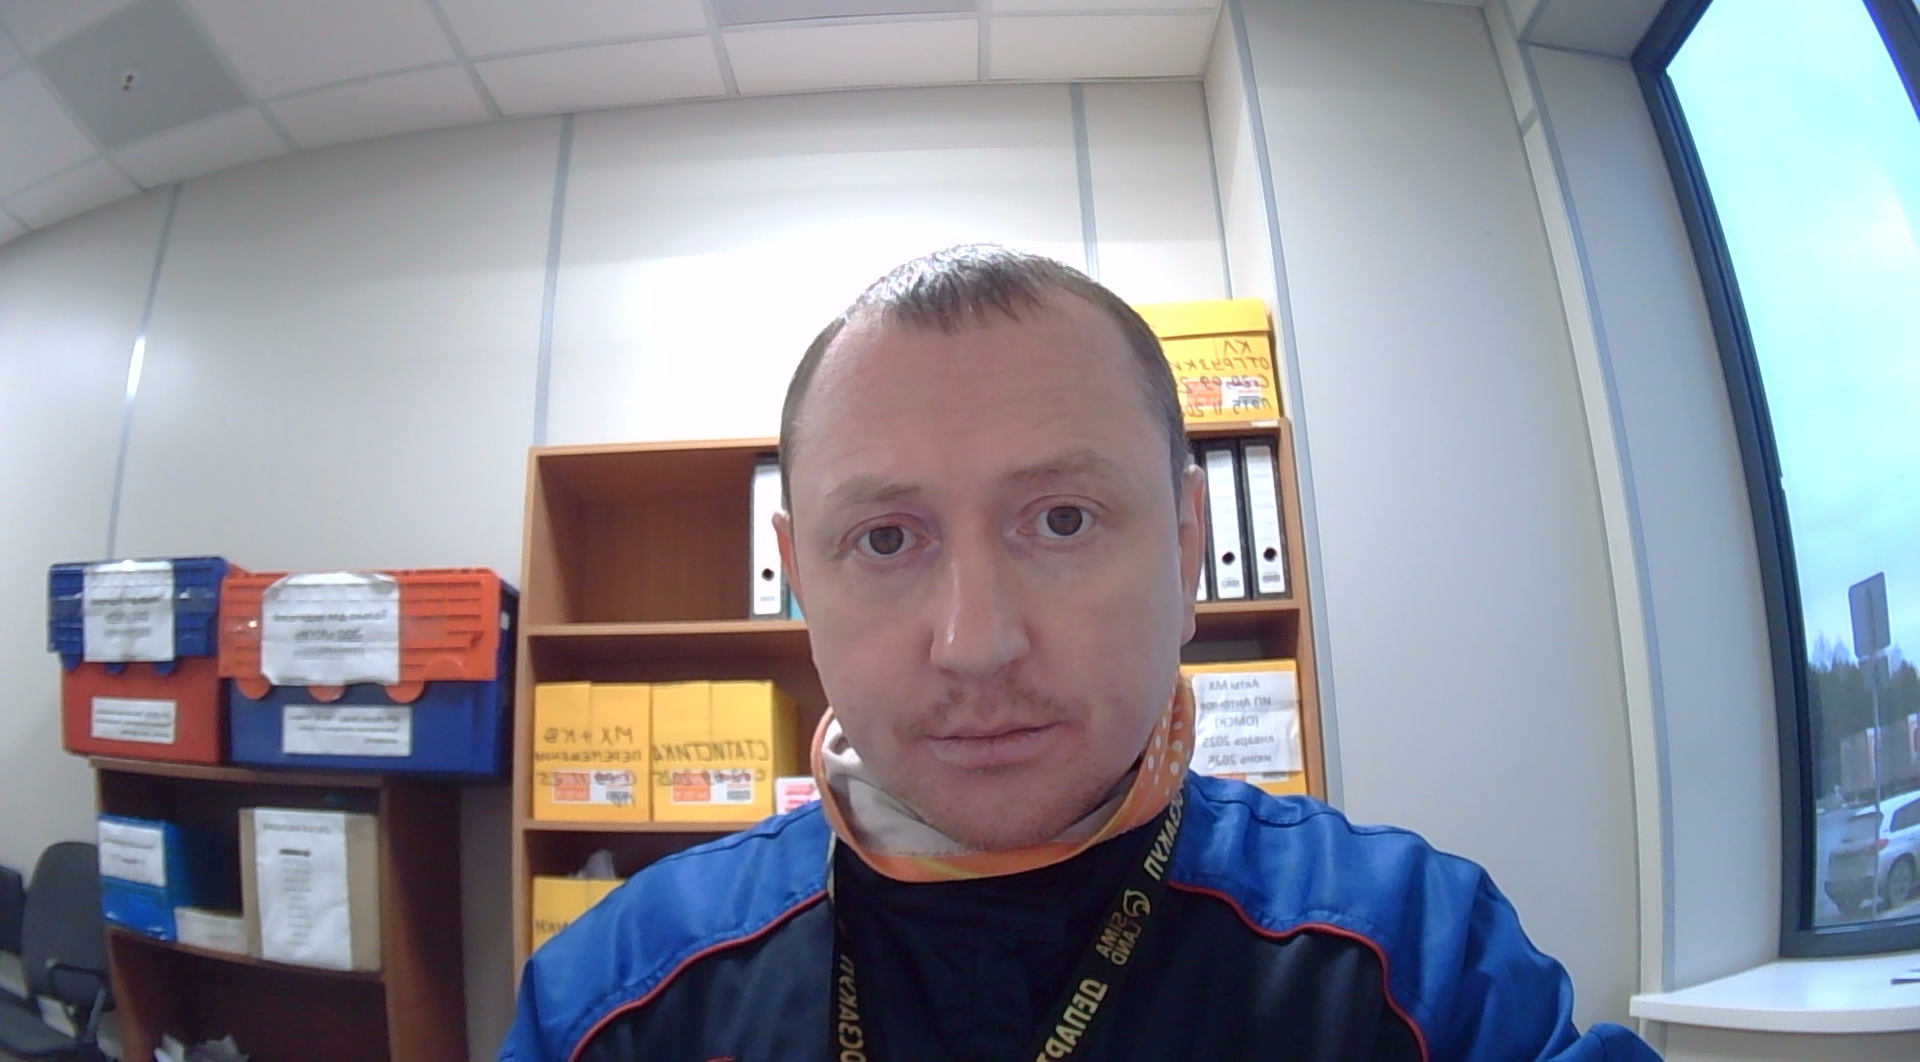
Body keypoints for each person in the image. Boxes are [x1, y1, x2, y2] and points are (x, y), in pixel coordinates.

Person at [501, 245, 1661, 1061]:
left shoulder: (1410, 956)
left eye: (1061, 520)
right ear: (798, 577)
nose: (977, 645)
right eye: (886, 538)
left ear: (1190, 546)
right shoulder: (617, 994)